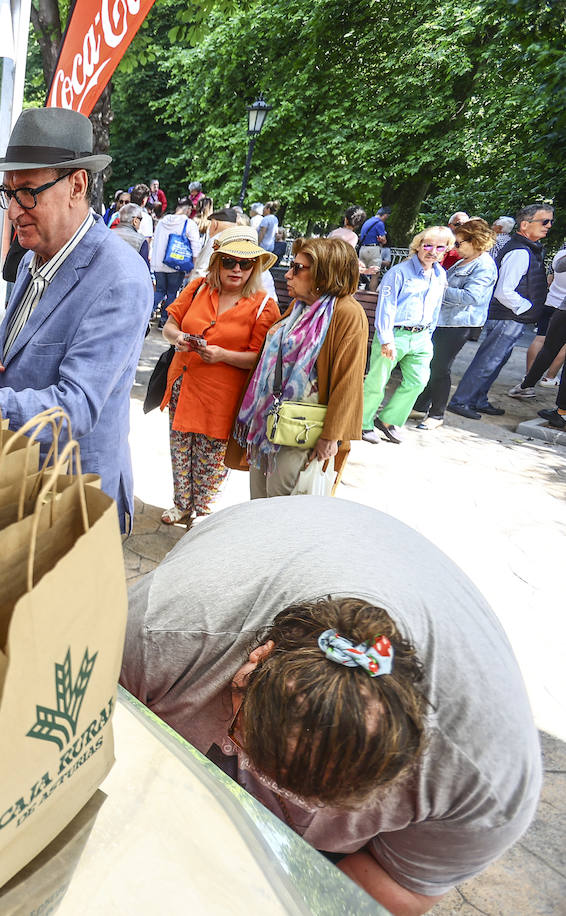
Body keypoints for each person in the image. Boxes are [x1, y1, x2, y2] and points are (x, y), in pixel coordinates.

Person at [121, 498, 541, 916]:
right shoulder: (158, 631)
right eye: (244, 740)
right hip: (256, 550)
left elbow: (399, 887)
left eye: (321, 801)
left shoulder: (486, 782)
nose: (283, 802)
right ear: (255, 661)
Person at [0, 107, 153, 530]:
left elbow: (76, 407)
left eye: (27, 192)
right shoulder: (34, 256)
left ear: (76, 185)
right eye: (10, 194)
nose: (12, 212)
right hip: (22, 479)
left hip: (75, 498)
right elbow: (16, 334)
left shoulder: (120, 278)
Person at [157, 226, 280, 525]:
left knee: (211, 460)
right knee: (180, 450)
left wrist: (223, 355)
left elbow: (261, 357)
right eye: (229, 261)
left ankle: (203, 513)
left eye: (245, 263)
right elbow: (168, 326)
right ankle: (181, 504)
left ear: (255, 266)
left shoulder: (264, 305)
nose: (237, 269)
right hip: (184, 384)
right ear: (217, 263)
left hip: (223, 396)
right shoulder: (198, 287)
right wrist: (180, 338)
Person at [229, 238, 368, 496]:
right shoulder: (299, 305)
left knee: (284, 506)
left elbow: (348, 381)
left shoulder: (347, 312)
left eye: (298, 268)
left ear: (324, 273)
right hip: (270, 420)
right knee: (259, 501)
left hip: (303, 429)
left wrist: (331, 436)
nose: (289, 275)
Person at [448, 204, 553, 419]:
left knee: (496, 360)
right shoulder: (520, 252)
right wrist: (528, 308)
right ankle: (462, 400)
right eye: (544, 221)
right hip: (508, 316)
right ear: (525, 224)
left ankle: (477, 399)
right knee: (489, 360)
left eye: (550, 222)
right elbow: (504, 290)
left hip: (510, 316)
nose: (549, 226)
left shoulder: (526, 249)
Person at [361, 226, 452, 442]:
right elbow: (386, 306)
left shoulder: (440, 275)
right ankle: (362, 422)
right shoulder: (399, 272)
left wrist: (428, 333)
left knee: (418, 380)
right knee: (377, 381)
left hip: (421, 337)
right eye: (427, 244)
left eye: (439, 247)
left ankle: (388, 420)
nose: (432, 250)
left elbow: (436, 306)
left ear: (446, 250)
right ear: (418, 245)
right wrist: (386, 340)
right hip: (395, 334)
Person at [411, 218, 498, 429]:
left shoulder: (484, 265)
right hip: (446, 320)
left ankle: (437, 415)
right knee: (433, 364)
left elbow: (472, 297)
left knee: (441, 368)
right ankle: (421, 407)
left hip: (459, 324)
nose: (454, 248)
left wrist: (437, 287)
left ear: (475, 241)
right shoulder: (465, 260)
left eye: (458, 243)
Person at [508, 240, 566, 401]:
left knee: (546, 346)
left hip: (557, 305)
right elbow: (560, 266)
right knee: (549, 347)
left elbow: (559, 268)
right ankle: (557, 406)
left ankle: (528, 385)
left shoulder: (561, 254)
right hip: (561, 308)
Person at [150, 197, 203, 327]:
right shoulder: (189, 224)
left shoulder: (162, 222)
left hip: (159, 264)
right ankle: (163, 320)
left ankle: (146, 314)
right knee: (172, 293)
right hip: (176, 264)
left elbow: (155, 240)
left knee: (159, 291)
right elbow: (196, 246)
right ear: (188, 209)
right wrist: (193, 266)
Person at [357, 206, 390, 278]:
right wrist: (382, 240)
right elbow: (384, 241)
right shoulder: (380, 223)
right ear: (385, 215)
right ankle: (371, 289)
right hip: (372, 250)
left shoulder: (367, 221)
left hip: (362, 249)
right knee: (375, 273)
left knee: (361, 271)